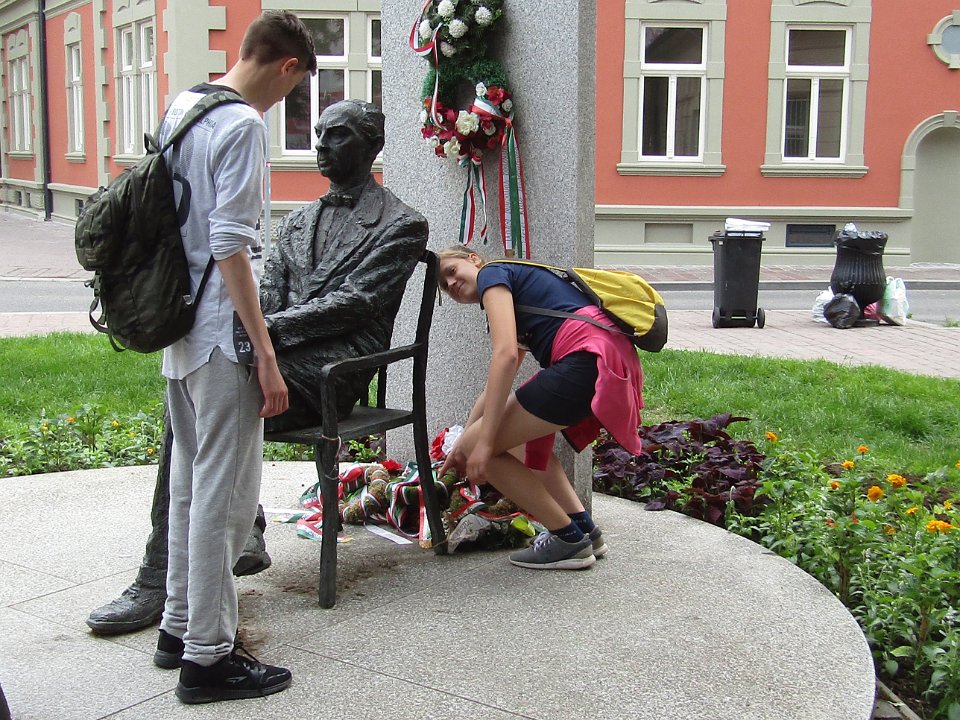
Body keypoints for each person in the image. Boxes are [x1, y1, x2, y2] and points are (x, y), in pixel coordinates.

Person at [86, 97, 428, 645]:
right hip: (276, 355)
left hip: (333, 371)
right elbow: (266, 295)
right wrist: (249, 337)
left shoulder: (402, 224)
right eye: (318, 132)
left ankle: (166, 574)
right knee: (199, 388)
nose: (320, 144)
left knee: (212, 394)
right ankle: (218, 544)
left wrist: (260, 336)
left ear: (373, 146)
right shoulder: (297, 222)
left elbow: (355, 303)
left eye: (337, 134)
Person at [150, 10, 313, 705]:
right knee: (226, 498)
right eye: (294, 88)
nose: (286, 103)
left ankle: (177, 626)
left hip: (178, 327)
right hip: (223, 335)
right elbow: (231, 247)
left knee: (191, 484)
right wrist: (266, 354)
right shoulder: (243, 124)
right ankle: (209, 658)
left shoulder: (184, 107)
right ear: (285, 66)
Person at [436, 246, 645, 570]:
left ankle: (567, 540)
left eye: (451, 271)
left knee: (485, 448)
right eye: (444, 286)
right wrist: (464, 441)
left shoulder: (493, 274)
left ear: (473, 259)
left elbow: (505, 355)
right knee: (522, 446)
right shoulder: (513, 286)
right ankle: (586, 531)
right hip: (602, 359)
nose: (450, 284)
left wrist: (481, 444)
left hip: (585, 359)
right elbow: (495, 385)